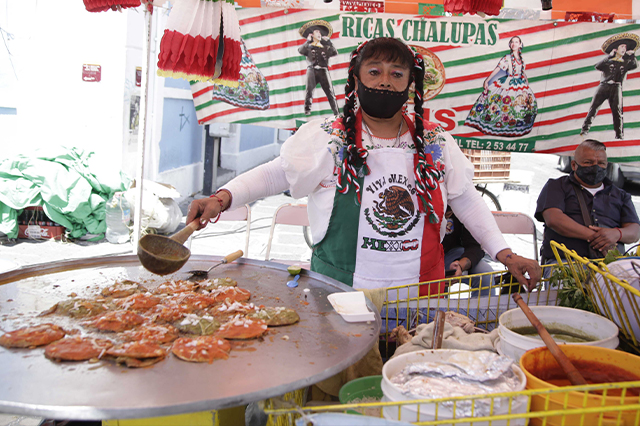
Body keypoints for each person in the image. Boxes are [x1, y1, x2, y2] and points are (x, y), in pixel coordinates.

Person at [188, 37, 541, 297]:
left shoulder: (436, 143)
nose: (385, 81)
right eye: (374, 72)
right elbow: (277, 173)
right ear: (356, 82)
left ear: (410, 86)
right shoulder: (329, 137)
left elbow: (467, 201)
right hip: (341, 295)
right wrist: (222, 198)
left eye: (396, 74)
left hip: (420, 295)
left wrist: (505, 254)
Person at [535, 139, 640, 270]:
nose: (595, 167)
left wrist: (616, 234)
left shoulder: (621, 195)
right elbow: (554, 219)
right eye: (588, 162)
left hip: (610, 265)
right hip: (565, 264)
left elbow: (635, 231)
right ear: (574, 165)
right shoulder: (557, 186)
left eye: (601, 163)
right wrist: (597, 237)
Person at [464, 36, 537, 137]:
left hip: (519, 84)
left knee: (522, 105)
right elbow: (497, 69)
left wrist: (527, 84)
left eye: (516, 42)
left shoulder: (521, 59)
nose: (514, 44)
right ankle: (498, 126)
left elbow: (522, 73)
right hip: (507, 82)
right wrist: (487, 80)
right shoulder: (507, 58)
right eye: (512, 42)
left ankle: (514, 128)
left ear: (520, 44)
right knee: (500, 102)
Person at [580, 33, 639, 140]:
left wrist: (632, 55)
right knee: (593, 109)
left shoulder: (626, 61)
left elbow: (634, 65)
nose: (624, 49)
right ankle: (584, 130)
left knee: (618, 112)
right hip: (603, 86)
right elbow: (597, 66)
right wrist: (609, 56)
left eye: (625, 47)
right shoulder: (608, 60)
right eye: (622, 46)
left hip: (616, 87)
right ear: (616, 49)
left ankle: (619, 135)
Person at [442, 207, 495, 297]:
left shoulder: (463, 202)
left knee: (485, 274)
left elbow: (476, 244)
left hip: (452, 253)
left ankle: (482, 311)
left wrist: (461, 265)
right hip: (420, 256)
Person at [298, 20, 340, 116]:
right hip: (311, 70)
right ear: (312, 34)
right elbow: (300, 50)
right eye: (317, 32)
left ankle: (336, 113)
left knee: (330, 92)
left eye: (320, 32)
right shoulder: (308, 46)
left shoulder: (325, 46)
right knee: (309, 92)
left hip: (323, 70)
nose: (319, 34)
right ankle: (307, 112)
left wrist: (329, 41)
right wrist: (307, 41)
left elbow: (334, 52)